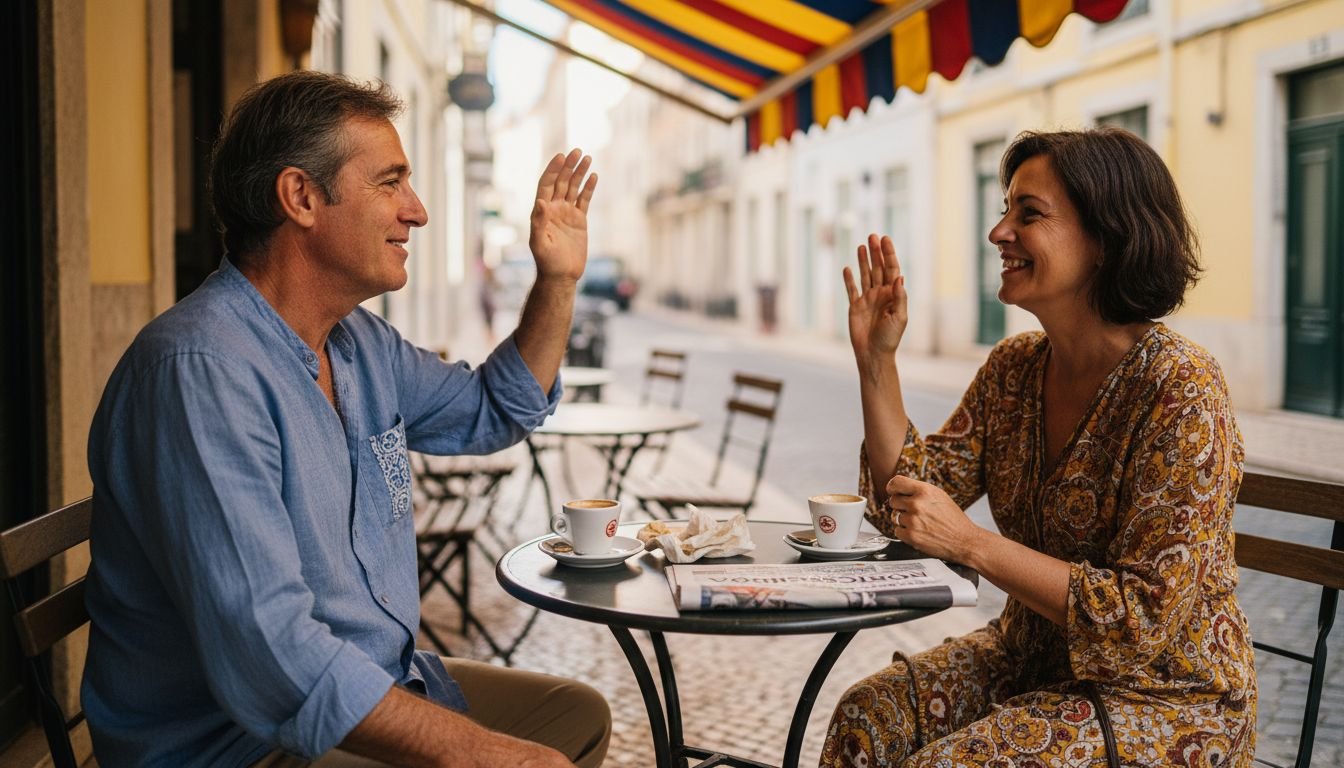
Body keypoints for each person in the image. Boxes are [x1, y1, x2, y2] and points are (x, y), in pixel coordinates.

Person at [82, 71, 609, 768]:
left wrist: (558, 281)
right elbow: (271, 651)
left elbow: (495, 409)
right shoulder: (201, 371)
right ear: (301, 197)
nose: (416, 211)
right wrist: (472, 750)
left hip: (372, 685)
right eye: (389, 183)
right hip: (241, 746)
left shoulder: (359, 344)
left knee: (574, 719)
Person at [820, 128, 1256, 767]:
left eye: (1029, 214)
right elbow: (906, 506)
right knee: (867, 716)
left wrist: (970, 543)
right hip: (1027, 661)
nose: (999, 232)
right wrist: (876, 362)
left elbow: (1141, 619)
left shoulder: (1181, 389)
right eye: (1005, 211)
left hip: (1166, 700)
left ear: (1107, 239)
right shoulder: (1015, 368)